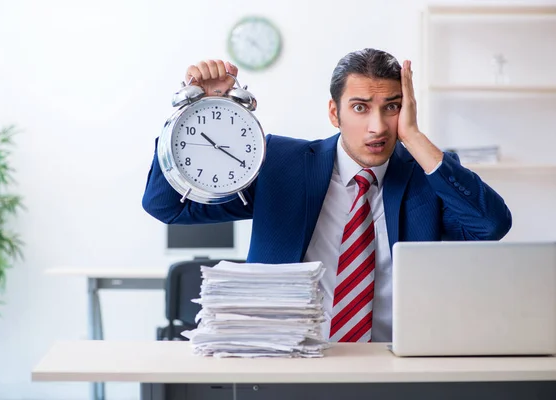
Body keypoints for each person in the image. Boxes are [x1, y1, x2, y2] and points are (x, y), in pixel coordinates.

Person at [142, 48, 512, 343]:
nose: (378, 126)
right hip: (285, 365)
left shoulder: (426, 175)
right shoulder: (279, 165)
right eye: (360, 107)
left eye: (392, 107)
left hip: (392, 366)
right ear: (334, 113)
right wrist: (196, 109)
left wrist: (413, 137)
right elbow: (167, 206)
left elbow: (491, 225)